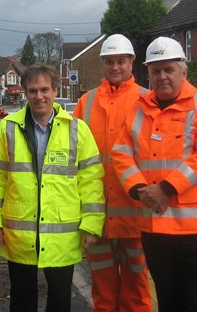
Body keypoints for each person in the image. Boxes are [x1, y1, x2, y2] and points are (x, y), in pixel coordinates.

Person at [111, 37, 197, 312]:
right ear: (148, 74)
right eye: (155, 71)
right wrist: (140, 190)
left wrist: (165, 189)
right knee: (168, 301)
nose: (161, 77)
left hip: (195, 231)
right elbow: (121, 154)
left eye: (168, 70)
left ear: (183, 72)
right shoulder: (139, 108)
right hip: (156, 227)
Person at [0, 63, 105, 312]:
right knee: (22, 299)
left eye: (44, 90)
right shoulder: (8, 128)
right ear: (25, 92)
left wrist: (91, 224)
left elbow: (91, 180)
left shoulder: (77, 130)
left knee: (60, 301)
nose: (39, 96)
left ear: (55, 90)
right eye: (32, 91)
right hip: (19, 232)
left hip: (62, 234)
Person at [73, 34, 152, 312]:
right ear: (103, 64)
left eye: (121, 61)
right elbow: (74, 151)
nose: (115, 66)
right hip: (99, 216)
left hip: (135, 214)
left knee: (136, 290)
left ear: (132, 62)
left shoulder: (147, 100)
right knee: (103, 292)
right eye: (110, 61)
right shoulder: (87, 101)